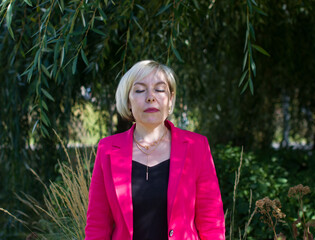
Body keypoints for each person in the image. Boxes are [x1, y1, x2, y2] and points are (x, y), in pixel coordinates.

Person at [85, 60, 225, 240]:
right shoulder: (108, 149)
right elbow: (97, 225)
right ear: (128, 101)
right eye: (140, 90)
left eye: (159, 89)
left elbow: (211, 222)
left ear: (171, 99)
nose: (150, 97)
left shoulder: (196, 146)